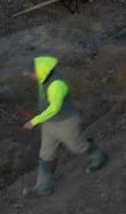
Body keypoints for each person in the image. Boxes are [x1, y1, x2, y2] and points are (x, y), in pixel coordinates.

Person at [21, 54, 106, 198]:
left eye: (31, 74)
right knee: (46, 154)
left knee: (76, 146)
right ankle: (43, 187)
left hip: (66, 122)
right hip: (49, 124)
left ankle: (99, 156)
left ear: (40, 71)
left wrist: (34, 121)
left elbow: (55, 107)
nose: (30, 77)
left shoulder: (56, 84)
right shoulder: (43, 80)